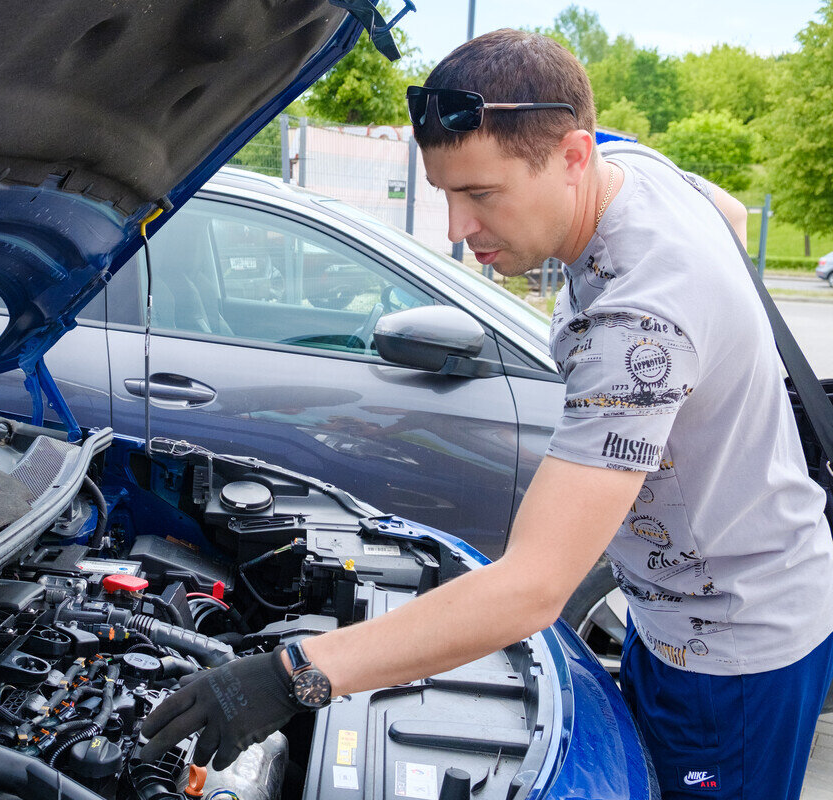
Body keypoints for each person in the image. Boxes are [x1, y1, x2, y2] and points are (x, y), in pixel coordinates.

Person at [139, 29, 833, 799]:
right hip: (676, 606)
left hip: (733, 649)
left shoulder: (641, 323)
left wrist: (295, 675)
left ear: (572, 158)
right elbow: (728, 213)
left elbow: (535, 588)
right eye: (445, 191)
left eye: (480, 195)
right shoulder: (629, 164)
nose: (455, 231)